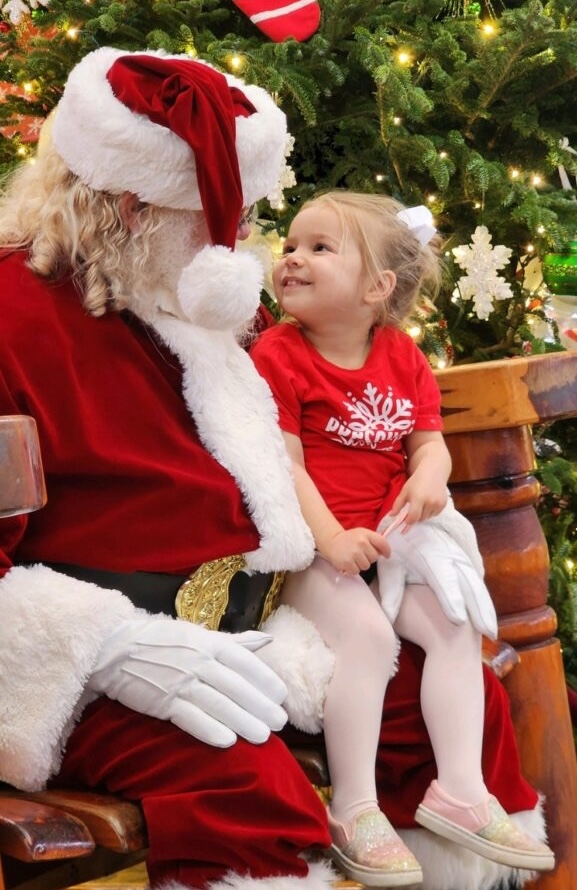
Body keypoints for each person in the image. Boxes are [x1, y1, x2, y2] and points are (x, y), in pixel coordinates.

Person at [0, 45, 550, 890]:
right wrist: (103, 645)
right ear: (132, 206)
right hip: (95, 657)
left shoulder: (203, 298)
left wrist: (425, 528)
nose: (249, 241)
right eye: (228, 217)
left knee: (456, 718)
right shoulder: (13, 313)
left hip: (270, 620)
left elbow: (343, 433)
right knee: (246, 792)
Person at [250, 190, 555, 887]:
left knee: (451, 625)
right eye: (291, 245)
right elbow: (283, 464)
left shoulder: (398, 356)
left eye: (319, 248)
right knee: (369, 638)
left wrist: (429, 478)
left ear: (377, 287)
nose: (292, 258)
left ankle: (460, 790)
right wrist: (329, 538)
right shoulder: (280, 355)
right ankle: (355, 810)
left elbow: (428, 443)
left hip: (390, 542)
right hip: (311, 548)